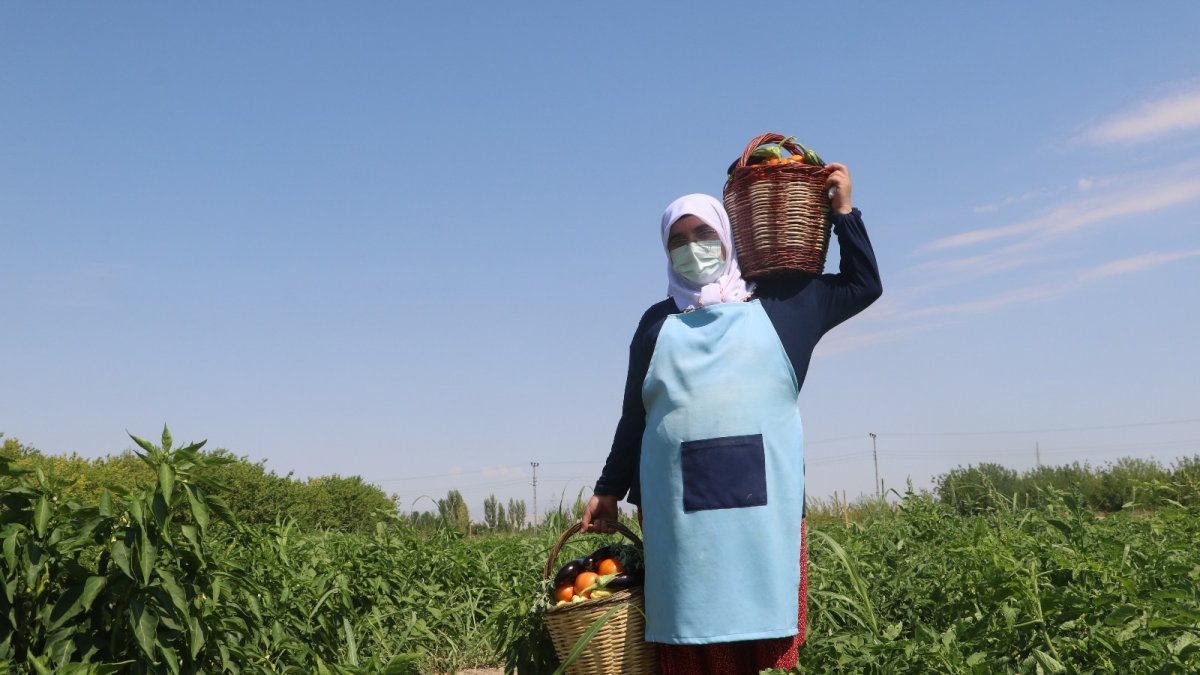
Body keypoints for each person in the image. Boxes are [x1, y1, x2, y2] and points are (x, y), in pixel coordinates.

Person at [580, 163, 882, 674]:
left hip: (764, 506)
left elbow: (863, 284)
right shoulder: (656, 324)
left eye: (702, 233)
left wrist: (843, 212)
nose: (691, 246)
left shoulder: (788, 304)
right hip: (677, 509)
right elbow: (636, 413)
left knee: (762, 631)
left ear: (726, 236)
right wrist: (608, 487)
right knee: (693, 638)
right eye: (678, 239)